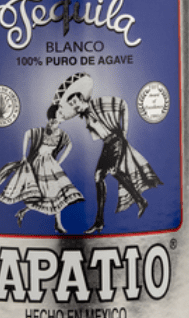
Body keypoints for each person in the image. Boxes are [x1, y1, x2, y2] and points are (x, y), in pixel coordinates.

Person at [52, 74, 162, 234]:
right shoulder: (85, 115)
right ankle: (135, 203)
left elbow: (123, 104)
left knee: (106, 174)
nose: (74, 106)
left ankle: (102, 220)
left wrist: (124, 132)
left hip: (116, 141)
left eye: (75, 102)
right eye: (72, 104)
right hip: (107, 145)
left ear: (82, 98)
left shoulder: (97, 104)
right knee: (103, 175)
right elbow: (65, 116)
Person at [0, 113, 83, 234]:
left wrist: (59, 161)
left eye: (55, 122)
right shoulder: (40, 131)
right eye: (51, 121)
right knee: (41, 194)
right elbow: (27, 134)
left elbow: (69, 145)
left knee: (55, 193)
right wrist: (24, 155)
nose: (52, 124)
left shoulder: (62, 134)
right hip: (38, 164)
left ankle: (56, 223)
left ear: (59, 122)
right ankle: (51, 221)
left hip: (51, 164)